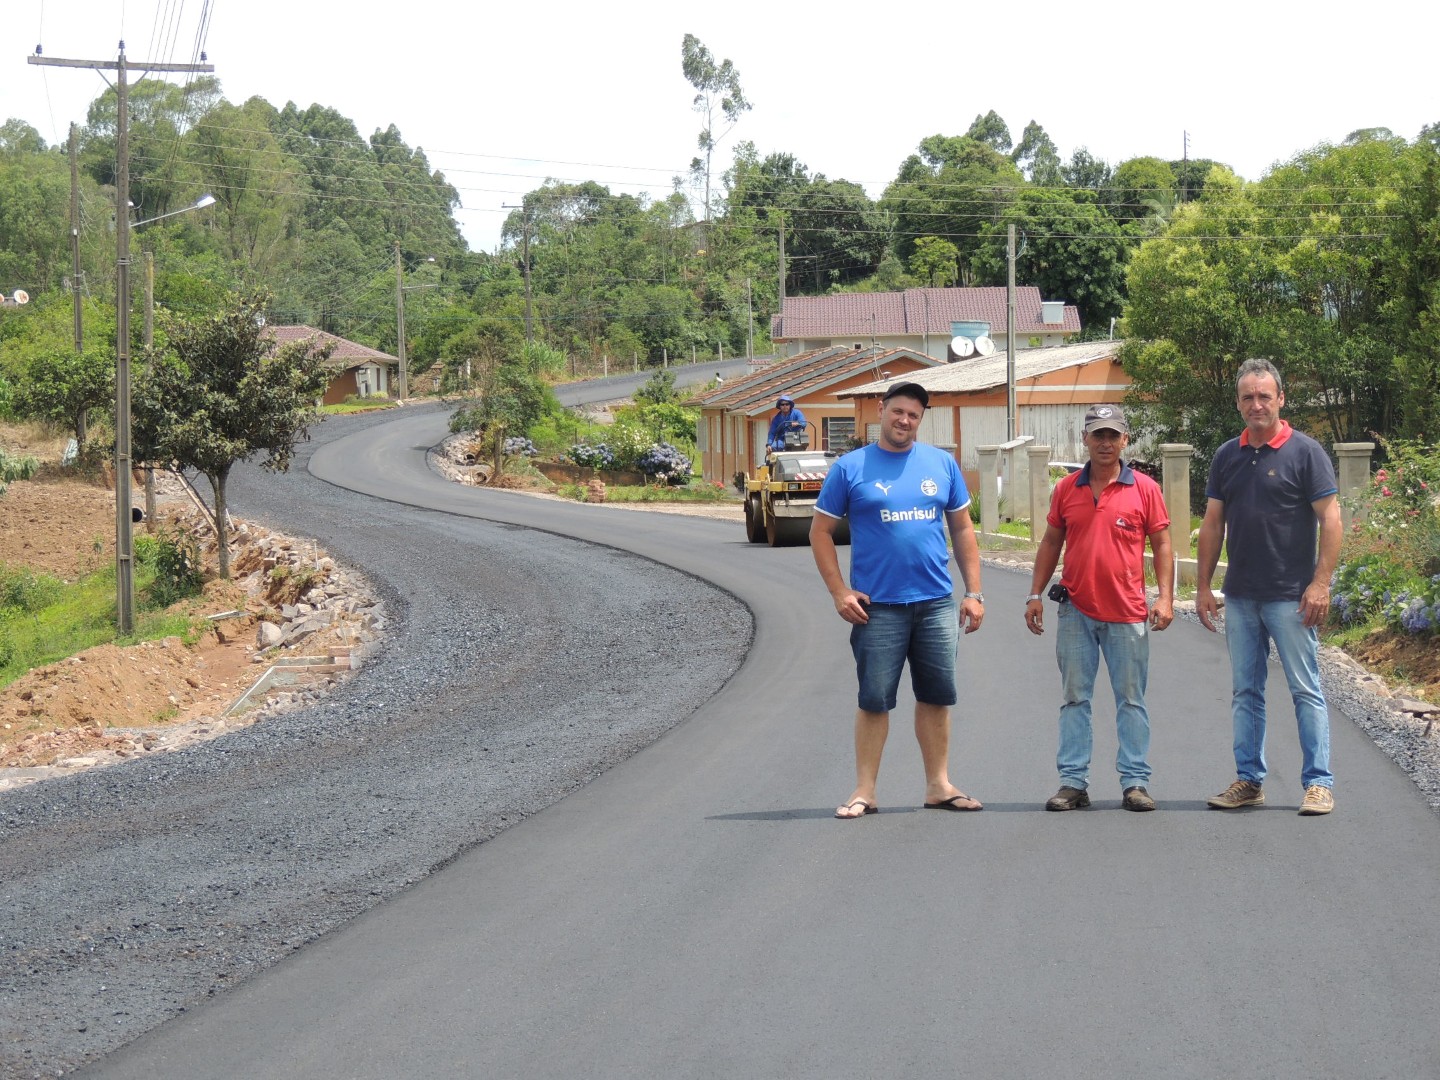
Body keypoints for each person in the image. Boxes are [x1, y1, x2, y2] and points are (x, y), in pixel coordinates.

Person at [810, 381, 986, 819]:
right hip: (878, 608)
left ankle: (939, 785)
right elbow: (820, 533)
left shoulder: (941, 464)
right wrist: (839, 592)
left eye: (913, 415)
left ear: (920, 420)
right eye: (897, 411)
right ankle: (864, 791)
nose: (904, 420)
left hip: (935, 603)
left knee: (936, 695)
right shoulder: (850, 469)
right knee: (874, 699)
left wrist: (975, 593)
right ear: (881, 410)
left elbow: (963, 529)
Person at [1197, 358, 1342, 816]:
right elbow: (1213, 522)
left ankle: (1318, 784)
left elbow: (1332, 519)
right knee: (1246, 691)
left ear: (1281, 398)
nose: (1256, 404)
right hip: (1240, 595)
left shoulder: (1306, 452)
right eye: (1247, 397)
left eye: (1264, 396)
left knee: (1305, 689)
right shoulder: (1226, 455)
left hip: (1292, 597)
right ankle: (1249, 780)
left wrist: (1320, 584)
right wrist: (1203, 586)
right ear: (1238, 402)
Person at [1024, 404, 1174, 812]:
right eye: (1098, 435)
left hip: (1127, 613)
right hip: (1076, 610)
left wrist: (1164, 597)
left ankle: (1135, 782)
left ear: (1125, 440)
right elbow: (1051, 542)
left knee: (1131, 700)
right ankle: (1073, 783)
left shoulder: (1145, 489)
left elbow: (1162, 544)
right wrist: (1035, 594)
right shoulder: (1066, 489)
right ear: (1085, 439)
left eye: (1113, 435)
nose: (1105, 442)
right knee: (1075, 698)